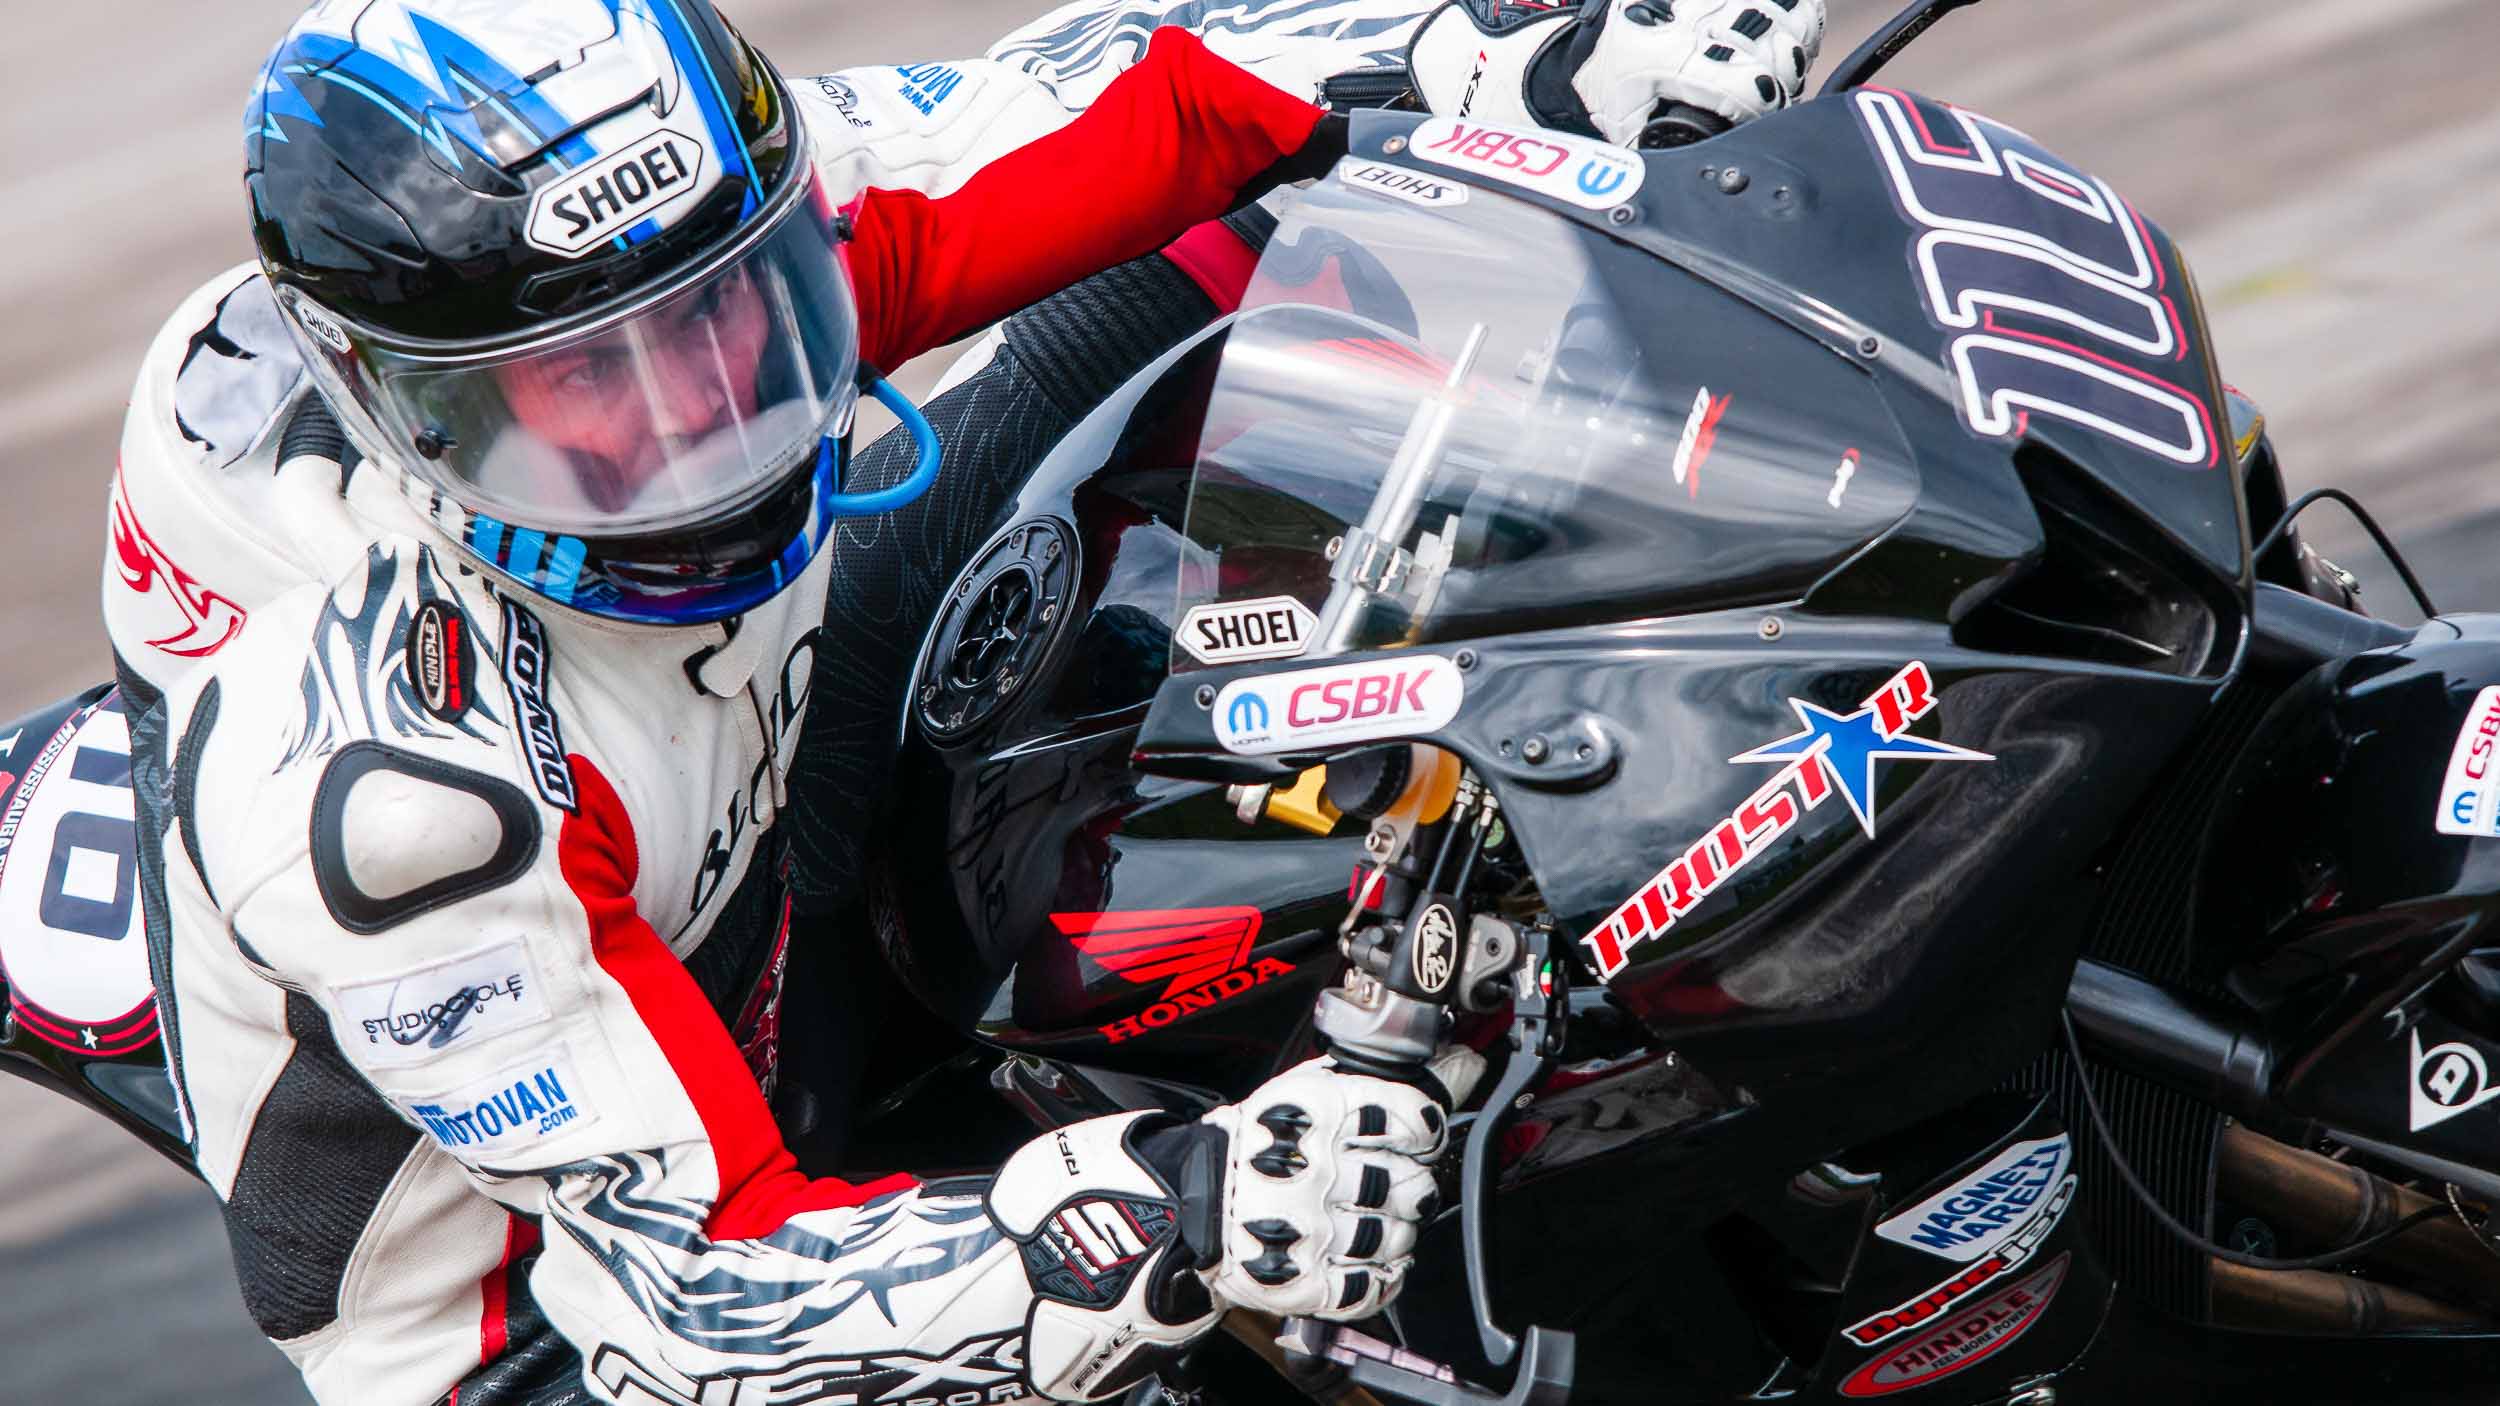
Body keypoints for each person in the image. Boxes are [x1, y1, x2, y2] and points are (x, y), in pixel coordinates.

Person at [99, 2, 1824, 1404]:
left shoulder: (656, 241)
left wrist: (1504, 50)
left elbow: (1141, 97)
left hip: (743, 802)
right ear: (402, 411)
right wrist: (1194, 1205)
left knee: (1218, 268)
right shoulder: (391, 795)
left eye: (733, 314)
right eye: (589, 388)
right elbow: (700, 1296)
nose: (709, 422)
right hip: (566, 1311)